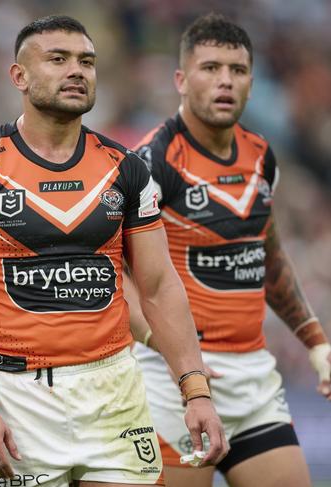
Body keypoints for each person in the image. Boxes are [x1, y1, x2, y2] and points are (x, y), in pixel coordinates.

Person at [0, 15, 228, 487]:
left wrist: (194, 388)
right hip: (19, 397)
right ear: (19, 77)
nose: (77, 70)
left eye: (86, 61)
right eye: (58, 59)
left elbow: (157, 285)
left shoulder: (125, 169)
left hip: (115, 392)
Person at [128, 12, 331, 487]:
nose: (225, 81)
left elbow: (268, 255)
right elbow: (115, 271)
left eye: (237, 71)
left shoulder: (261, 154)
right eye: (211, 68)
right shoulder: (151, 162)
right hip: (170, 382)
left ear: (252, 82)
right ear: (181, 79)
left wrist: (315, 340)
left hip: (252, 377)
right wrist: (177, 360)